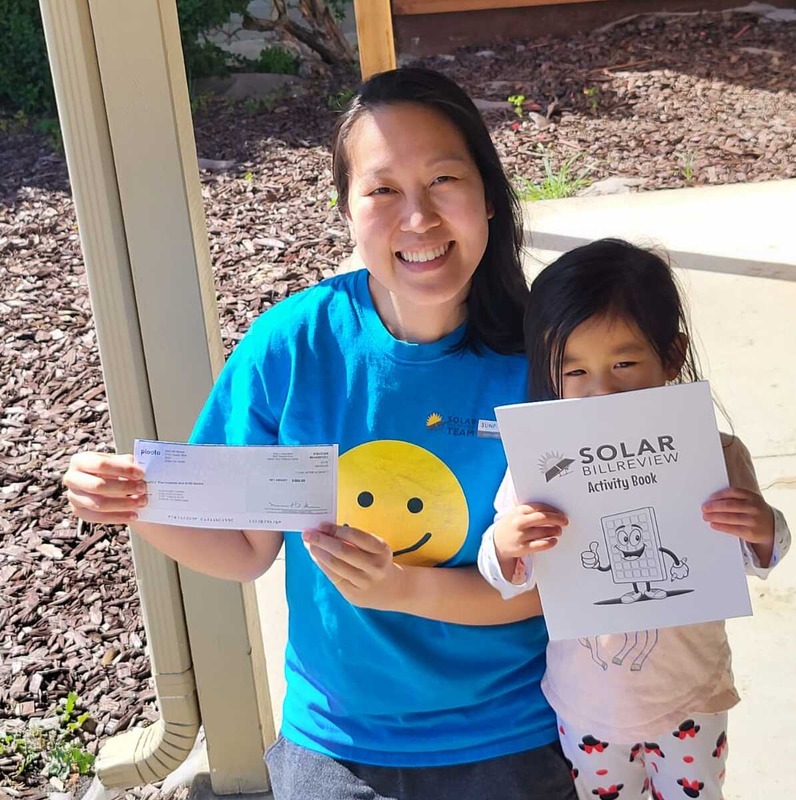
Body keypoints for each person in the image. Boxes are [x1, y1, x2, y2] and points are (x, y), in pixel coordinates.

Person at [63, 68, 577, 799]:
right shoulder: (293, 347)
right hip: (337, 743)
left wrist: (403, 588)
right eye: (382, 190)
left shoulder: (547, 359)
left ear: (489, 197)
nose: (419, 219)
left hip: (514, 730)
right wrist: (138, 502)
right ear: (346, 210)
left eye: (443, 180)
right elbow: (244, 549)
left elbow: (557, 585)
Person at [476, 239, 791, 800]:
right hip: (585, 703)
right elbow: (504, 574)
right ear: (550, 373)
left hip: (693, 694)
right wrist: (505, 543)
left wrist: (762, 525)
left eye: (624, 363)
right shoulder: (540, 466)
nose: (601, 390)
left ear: (671, 356)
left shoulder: (715, 453)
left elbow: (759, 555)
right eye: (574, 371)